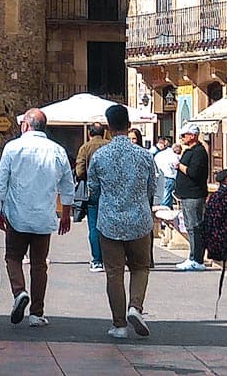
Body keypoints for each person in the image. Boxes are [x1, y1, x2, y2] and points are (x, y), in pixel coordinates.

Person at [0, 107, 73, 328]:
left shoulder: (13, 147)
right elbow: (67, 183)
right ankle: (37, 312)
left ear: (26, 125)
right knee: (39, 265)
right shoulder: (57, 150)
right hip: (44, 216)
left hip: (17, 214)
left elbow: (0, 182)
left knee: (13, 257)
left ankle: (19, 291)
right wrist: (66, 213)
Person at [84, 103, 157, 340]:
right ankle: (135, 306)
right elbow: (151, 188)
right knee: (140, 267)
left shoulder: (99, 156)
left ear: (108, 127)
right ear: (129, 126)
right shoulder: (144, 155)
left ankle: (119, 325)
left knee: (114, 273)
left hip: (110, 221)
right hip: (139, 221)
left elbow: (93, 190)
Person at [173, 127, 211, 270]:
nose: (182, 137)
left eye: (185, 135)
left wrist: (180, 166)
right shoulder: (189, 150)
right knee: (189, 226)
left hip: (194, 195)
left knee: (195, 227)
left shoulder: (199, 152)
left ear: (193, 136)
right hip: (185, 194)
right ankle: (192, 256)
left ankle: (197, 259)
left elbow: (194, 172)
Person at [73, 120, 107, 270]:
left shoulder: (85, 148)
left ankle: (97, 259)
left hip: (92, 190)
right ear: (104, 133)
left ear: (89, 133)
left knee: (93, 226)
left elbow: (80, 171)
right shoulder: (109, 145)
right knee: (108, 225)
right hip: (110, 190)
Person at [153, 136, 179, 208]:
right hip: (170, 177)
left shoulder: (158, 154)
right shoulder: (173, 154)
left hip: (160, 177)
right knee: (167, 197)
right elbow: (176, 165)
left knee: (164, 196)